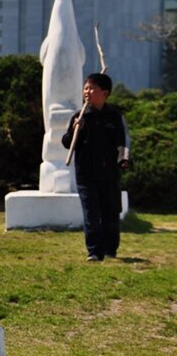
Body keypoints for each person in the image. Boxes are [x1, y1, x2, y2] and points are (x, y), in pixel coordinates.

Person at [61, 73, 130, 262]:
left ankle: (110, 248)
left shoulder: (114, 117)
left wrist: (123, 160)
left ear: (105, 93)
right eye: (85, 88)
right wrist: (77, 129)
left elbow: (122, 143)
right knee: (91, 213)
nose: (87, 92)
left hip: (109, 173)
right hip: (86, 174)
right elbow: (67, 143)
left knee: (110, 212)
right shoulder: (80, 116)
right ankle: (94, 251)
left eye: (92, 88)